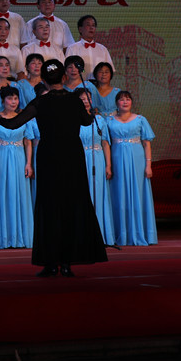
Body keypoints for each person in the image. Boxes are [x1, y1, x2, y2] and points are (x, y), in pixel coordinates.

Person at [0, 60, 108, 276]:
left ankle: (50, 263)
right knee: (71, 205)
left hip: (49, 157)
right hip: (72, 157)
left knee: (50, 207)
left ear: (44, 81)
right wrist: (90, 111)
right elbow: (87, 122)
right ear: (64, 78)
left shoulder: (40, 102)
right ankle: (67, 263)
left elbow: (13, 124)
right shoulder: (74, 100)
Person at [107, 91, 157, 246]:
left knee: (138, 193)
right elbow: (105, 144)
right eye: (121, 99)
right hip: (117, 159)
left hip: (137, 160)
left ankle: (141, 232)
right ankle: (120, 233)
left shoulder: (141, 119)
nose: (125, 102)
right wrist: (108, 165)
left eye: (128, 99)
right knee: (119, 194)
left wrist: (148, 165)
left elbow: (147, 143)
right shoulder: (109, 121)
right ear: (116, 103)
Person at [0, 87, 36, 249]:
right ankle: (2, 237)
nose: (13, 102)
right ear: (3, 101)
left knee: (19, 192)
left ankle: (20, 236)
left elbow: (28, 142)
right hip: (0, 157)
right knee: (2, 192)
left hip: (19, 158)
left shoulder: (23, 118)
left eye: (16, 98)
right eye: (10, 98)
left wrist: (28, 163)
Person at [76, 88, 115, 246]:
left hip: (97, 158)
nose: (86, 101)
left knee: (97, 194)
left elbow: (105, 143)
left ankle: (99, 234)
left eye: (88, 98)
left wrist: (108, 165)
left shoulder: (99, 120)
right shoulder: (73, 119)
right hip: (79, 158)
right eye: (82, 99)